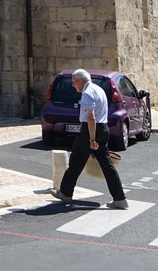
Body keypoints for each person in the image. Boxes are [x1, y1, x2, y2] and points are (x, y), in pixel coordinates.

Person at [52, 69, 128, 209]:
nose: (73, 85)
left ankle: (65, 193)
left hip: (90, 130)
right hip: (103, 128)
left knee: (75, 163)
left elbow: (91, 117)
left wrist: (92, 140)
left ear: (80, 81)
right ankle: (120, 198)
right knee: (107, 166)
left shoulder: (87, 93)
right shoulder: (98, 89)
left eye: (74, 82)